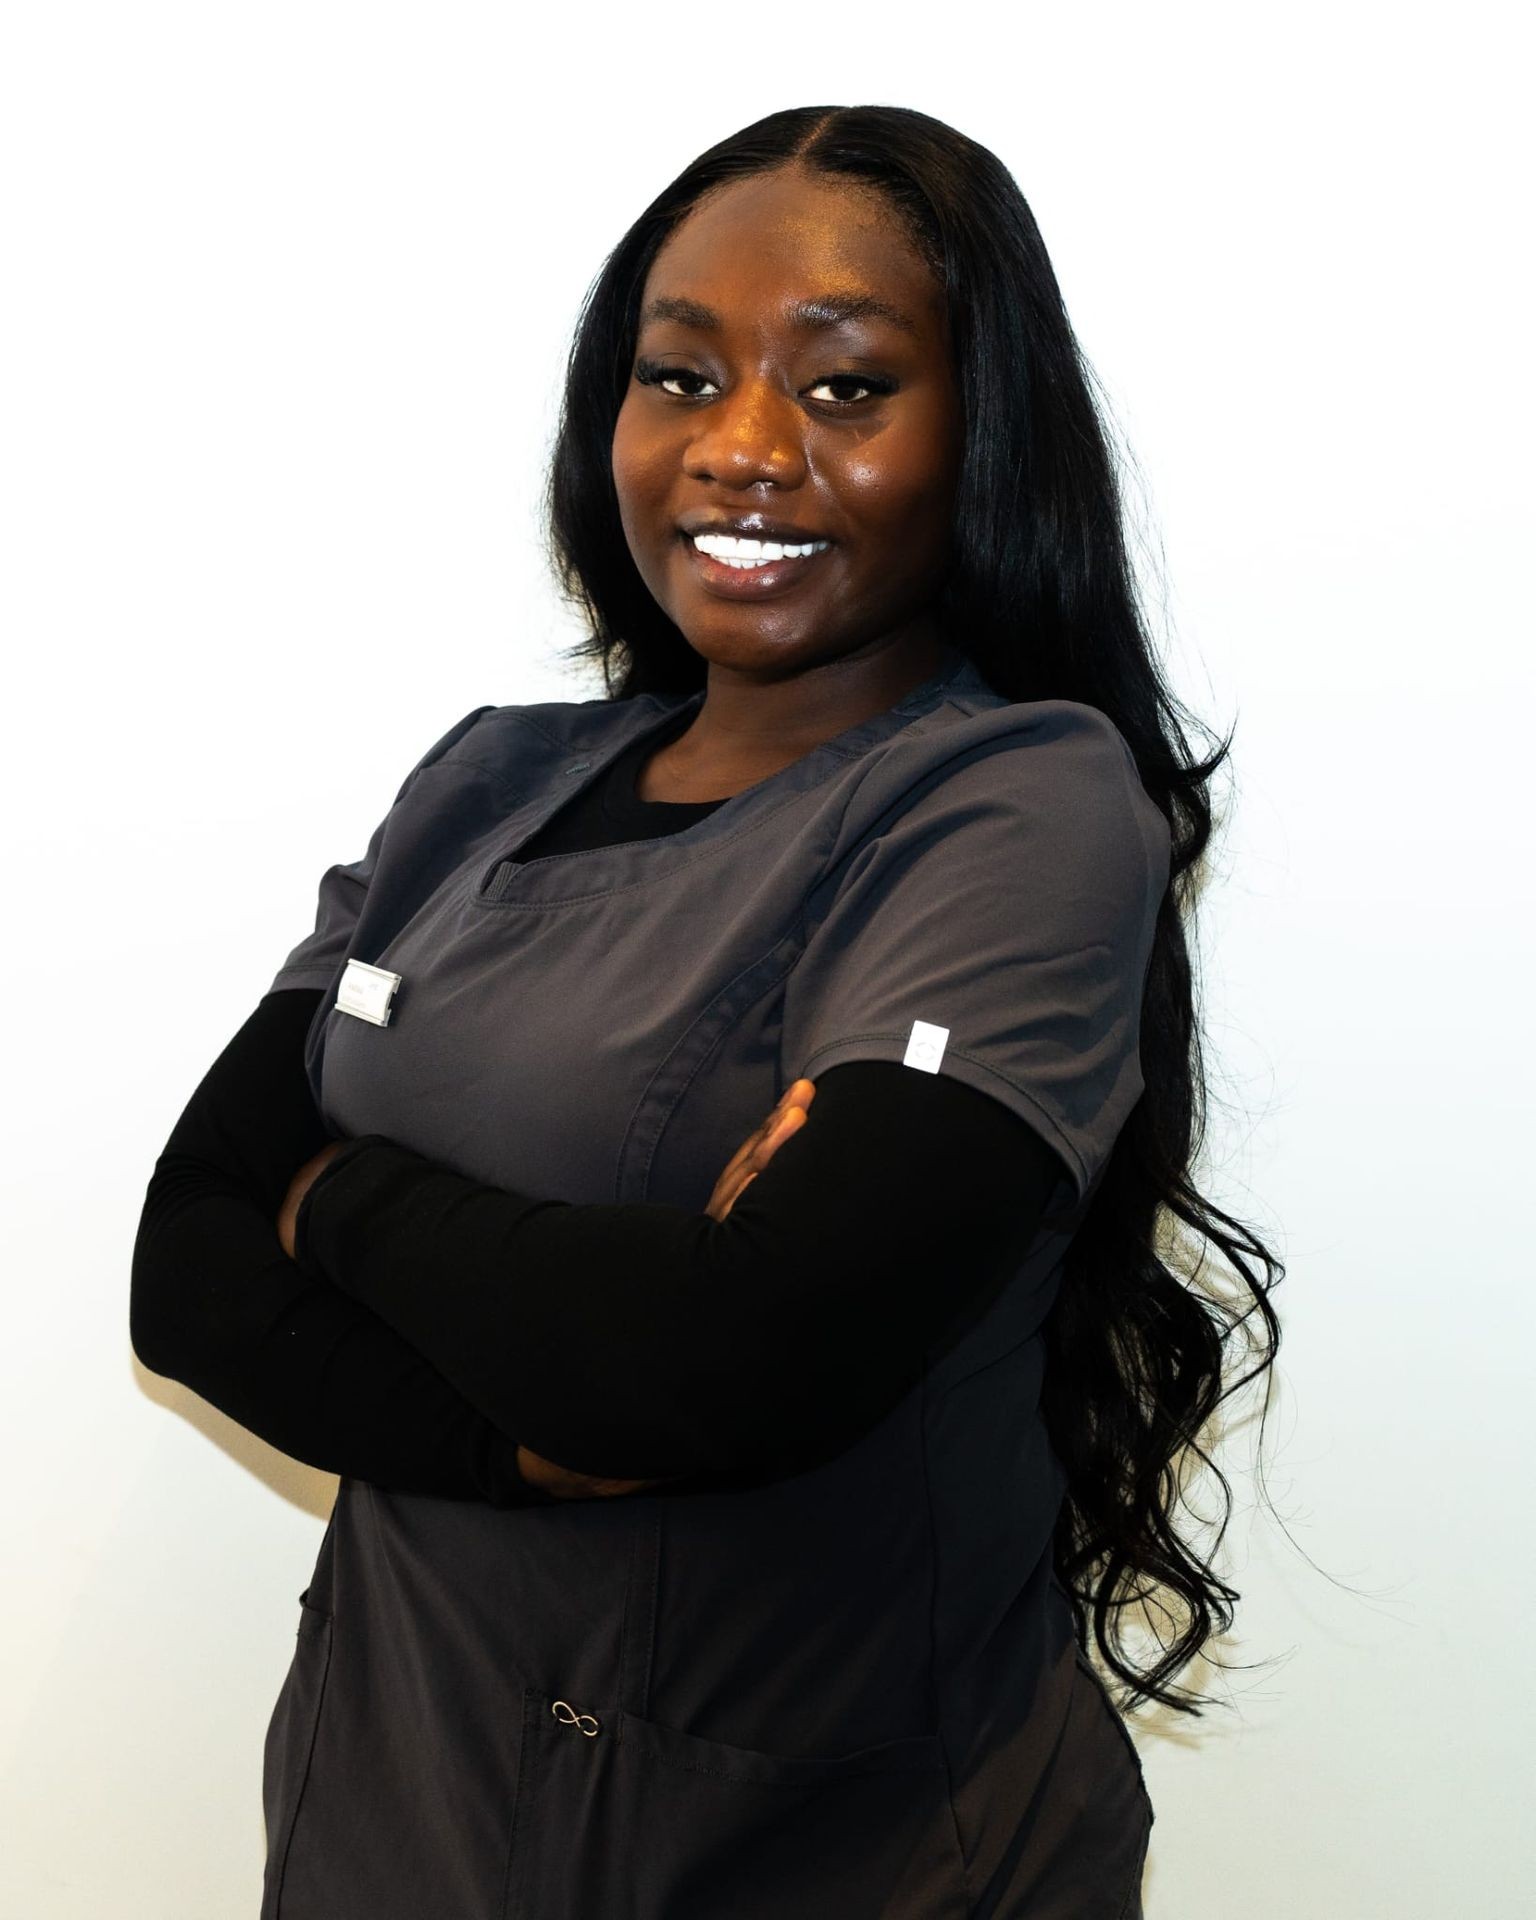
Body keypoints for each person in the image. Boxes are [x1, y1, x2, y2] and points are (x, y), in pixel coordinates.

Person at [131, 103, 1283, 1920]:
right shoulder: (482, 787)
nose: (741, 450)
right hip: (394, 1804)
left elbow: (736, 1360)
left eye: (844, 390)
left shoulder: (1022, 805)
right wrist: (534, 1416)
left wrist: (335, 1204)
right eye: (680, 377)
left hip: (824, 1849)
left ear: (985, 436)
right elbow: (183, 1272)